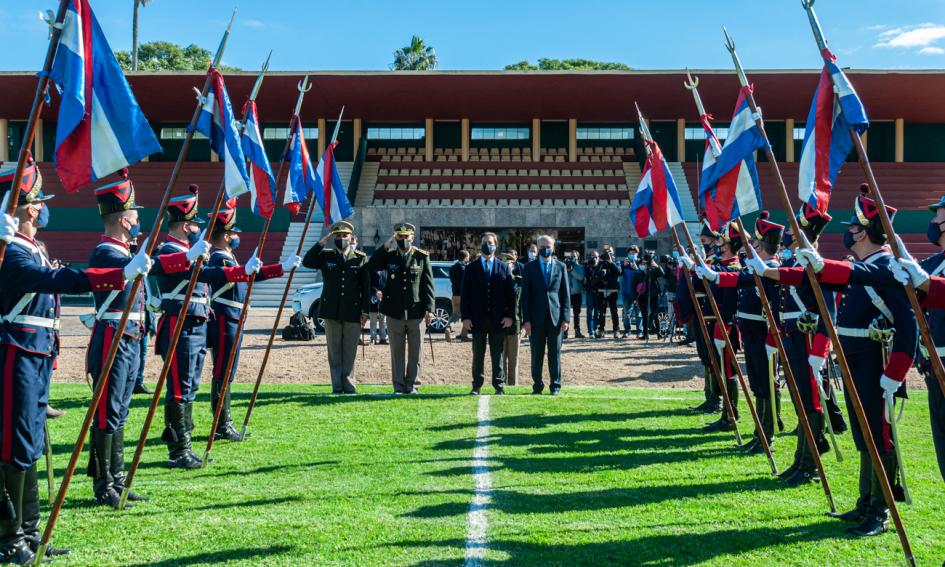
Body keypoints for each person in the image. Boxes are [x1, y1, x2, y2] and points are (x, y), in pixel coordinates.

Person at [751, 188, 917, 537]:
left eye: (854, 229)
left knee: (879, 437)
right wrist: (770, 272)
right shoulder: (865, 266)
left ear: (864, 232)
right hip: (855, 362)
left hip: (877, 364)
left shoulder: (886, 266)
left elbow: (909, 325)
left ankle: (879, 510)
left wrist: (896, 372)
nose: (848, 234)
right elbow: (816, 277)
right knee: (863, 436)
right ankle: (865, 500)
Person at [0, 161, 136, 562]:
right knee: (16, 445)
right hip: (18, 353)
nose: (43, 207)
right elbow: (58, 281)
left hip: (38, 354)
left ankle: (29, 532)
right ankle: (10, 538)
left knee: (31, 443)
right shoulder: (12, 254)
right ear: (27, 208)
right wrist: (118, 273)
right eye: (39, 200)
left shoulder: (33, 248)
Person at [151, 185, 264, 470]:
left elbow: (209, 274)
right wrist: (197, 259)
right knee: (179, 387)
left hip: (196, 322)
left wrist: (248, 270)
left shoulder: (191, 253)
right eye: (193, 224)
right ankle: (178, 449)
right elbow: (187, 270)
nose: (197, 230)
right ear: (184, 225)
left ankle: (185, 444)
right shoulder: (168, 250)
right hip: (180, 322)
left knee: (189, 386)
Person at [696, 212, 783, 455]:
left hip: (763, 334)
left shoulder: (772, 269)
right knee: (757, 385)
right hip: (752, 334)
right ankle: (760, 434)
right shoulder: (758, 268)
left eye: (754, 243)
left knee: (765, 386)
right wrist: (714, 276)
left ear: (761, 245)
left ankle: (768, 435)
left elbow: (774, 308)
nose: (750, 247)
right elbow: (739, 279)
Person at [207, 202, 298, 432]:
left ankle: (224, 421)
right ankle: (221, 424)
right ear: (226, 236)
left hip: (233, 317)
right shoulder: (220, 259)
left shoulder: (227, 257)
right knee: (223, 371)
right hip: (224, 317)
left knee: (228, 371)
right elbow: (242, 276)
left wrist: (282, 268)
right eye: (234, 233)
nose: (238, 237)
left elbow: (250, 276)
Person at [302, 221, 370, 394]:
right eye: (337, 236)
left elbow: (366, 287)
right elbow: (307, 262)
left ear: (351, 237)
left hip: (353, 311)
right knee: (334, 352)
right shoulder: (326, 256)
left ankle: (349, 385)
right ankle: (337, 386)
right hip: (331, 311)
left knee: (349, 352)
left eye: (344, 235)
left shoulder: (360, 258)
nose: (341, 238)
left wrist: (365, 311)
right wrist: (322, 242)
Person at [367, 223, 435, 394]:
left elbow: (428, 285)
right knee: (397, 352)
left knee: (415, 352)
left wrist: (430, 309)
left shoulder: (421, 256)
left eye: (406, 236)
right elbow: (371, 265)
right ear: (395, 237)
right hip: (394, 312)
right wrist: (384, 246)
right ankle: (398, 385)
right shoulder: (389, 256)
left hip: (416, 312)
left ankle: (413, 385)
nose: (403, 240)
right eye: (400, 236)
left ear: (412, 237)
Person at [461, 233, 515, 395]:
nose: (487, 245)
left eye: (490, 243)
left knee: (497, 354)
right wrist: (465, 317)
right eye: (484, 243)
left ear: (495, 246)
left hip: (498, 319)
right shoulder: (471, 268)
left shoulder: (504, 267)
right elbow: (465, 295)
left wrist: (509, 316)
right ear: (480, 245)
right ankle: (476, 385)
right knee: (478, 354)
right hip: (477, 319)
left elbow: (510, 295)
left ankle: (499, 385)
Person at [521, 235, 571, 395]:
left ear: (553, 248)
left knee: (554, 354)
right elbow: (525, 297)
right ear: (537, 248)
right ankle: (537, 385)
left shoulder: (561, 266)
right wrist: (526, 320)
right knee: (537, 354)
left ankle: (555, 386)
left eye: (548, 246)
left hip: (556, 319)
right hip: (535, 320)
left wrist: (566, 318)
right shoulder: (529, 268)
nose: (545, 249)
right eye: (542, 246)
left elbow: (565, 295)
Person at [502, 251, 524, 386]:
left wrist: (524, 325)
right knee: (500, 358)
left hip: (515, 324)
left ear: (513, 264)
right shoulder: (496, 281)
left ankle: (513, 385)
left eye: (508, 263)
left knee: (514, 359)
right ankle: (500, 383)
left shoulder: (519, 281)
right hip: (498, 324)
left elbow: (523, 304)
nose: (506, 266)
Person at [594, 245, 622, 339]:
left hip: (613, 290)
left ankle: (616, 330)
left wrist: (611, 262)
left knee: (614, 311)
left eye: (609, 251)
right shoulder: (601, 263)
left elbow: (619, 272)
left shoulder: (616, 262)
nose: (607, 253)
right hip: (601, 290)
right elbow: (595, 274)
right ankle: (601, 330)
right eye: (606, 251)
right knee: (601, 312)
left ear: (612, 253)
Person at [448, 250, 470, 342]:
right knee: (467, 314)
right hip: (463, 295)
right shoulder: (465, 269)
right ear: (465, 257)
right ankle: (464, 335)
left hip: (454, 295)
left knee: (455, 315)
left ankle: (448, 328)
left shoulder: (452, 268)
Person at [621, 247, 642, 338]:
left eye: (634, 253)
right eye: (630, 253)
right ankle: (627, 330)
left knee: (638, 313)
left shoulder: (641, 262)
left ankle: (639, 331)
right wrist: (623, 266)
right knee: (626, 313)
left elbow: (644, 275)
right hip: (626, 291)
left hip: (638, 292)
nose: (632, 254)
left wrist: (637, 269)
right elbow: (618, 273)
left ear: (637, 254)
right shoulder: (624, 263)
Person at [564, 251, 585, 339]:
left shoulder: (580, 267)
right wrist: (566, 267)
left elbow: (580, 277)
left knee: (577, 313)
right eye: (571, 256)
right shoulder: (565, 265)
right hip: (567, 293)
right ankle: (565, 332)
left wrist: (571, 270)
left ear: (578, 257)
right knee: (566, 313)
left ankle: (577, 331)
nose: (572, 257)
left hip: (577, 293)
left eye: (574, 256)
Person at [369, 268, 388, 345]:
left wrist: (384, 293)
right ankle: (373, 338)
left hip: (383, 298)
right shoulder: (371, 270)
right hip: (373, 298)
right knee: (373, 320)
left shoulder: (385, 271)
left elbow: (387, 283)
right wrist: (376, 291)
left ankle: (383, 338)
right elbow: (368, 284)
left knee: (383, 320)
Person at [584, 249, 600, 338]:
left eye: (595, 256)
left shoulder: (601, 266)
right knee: (589, 312)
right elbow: (587, 276)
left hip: (598, 293)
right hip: (589, 292)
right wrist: (590, 266)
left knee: (597, 313)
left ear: (598, 258)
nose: (593, 258)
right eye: (592, 256)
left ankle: (595, 329)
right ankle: (591, 332)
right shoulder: (587, 266)